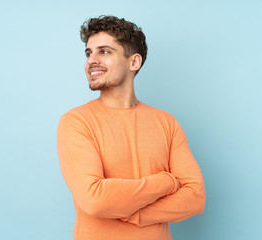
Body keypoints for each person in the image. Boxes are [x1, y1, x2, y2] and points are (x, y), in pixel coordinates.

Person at [57, 15, 205, 240]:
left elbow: (195, 197)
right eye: (89, 53)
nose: (91, 60)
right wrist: (167, 182)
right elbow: (94, 199)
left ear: (134, 62)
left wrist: (137, 215)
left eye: (104, 52)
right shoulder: (77, 121)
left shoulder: (166, 122)